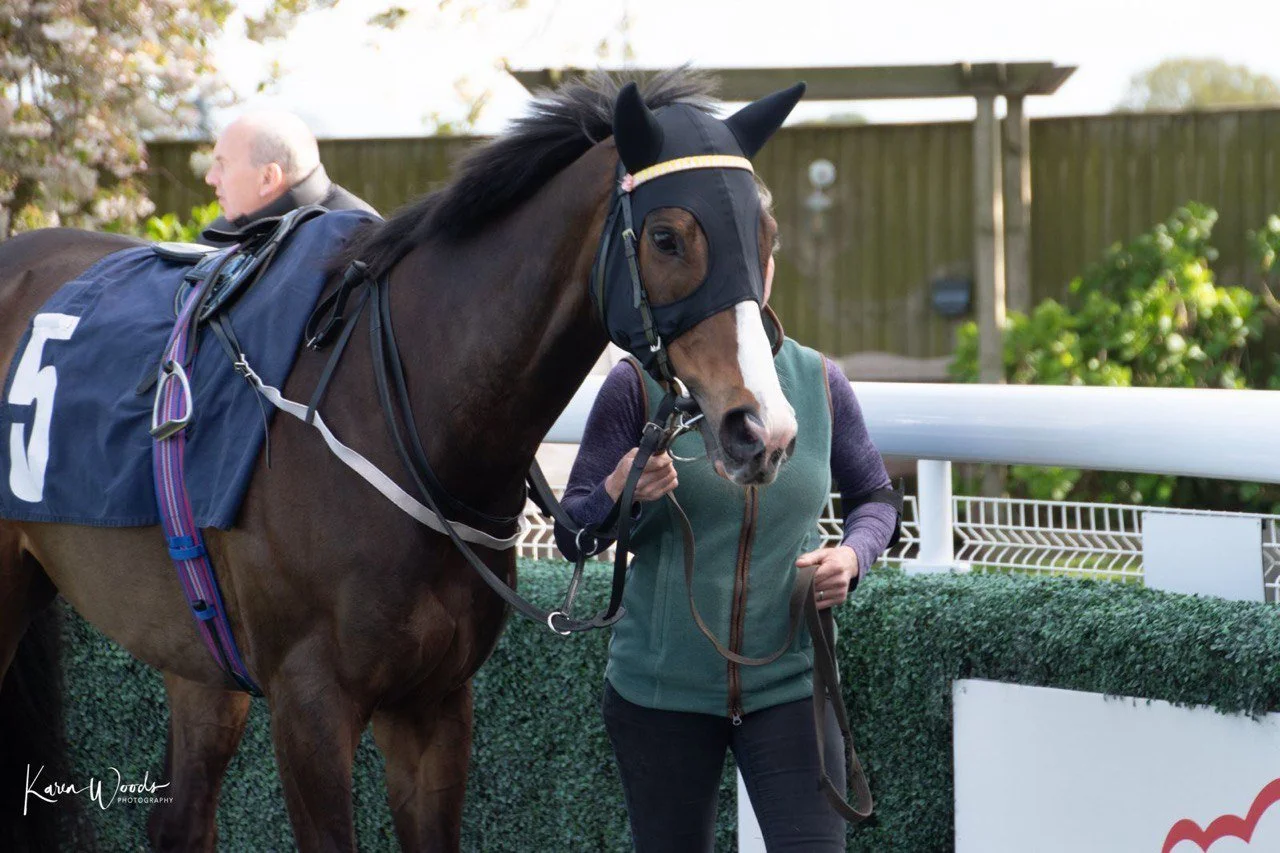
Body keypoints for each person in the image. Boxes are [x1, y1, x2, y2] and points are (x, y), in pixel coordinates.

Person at [554, 215, 899, 851]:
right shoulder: (636, 384)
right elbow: (573, 533)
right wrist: (618, 489)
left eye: (753, 262)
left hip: (791, 686)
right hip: (660, 696)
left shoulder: (820, 382)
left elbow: (875, 498)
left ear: (767, 271)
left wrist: (854, 556)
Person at [202, 110, 377, 238]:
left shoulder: (355, 237)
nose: (210, 178)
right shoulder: (219, 235)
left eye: (222, 165)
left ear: (268, 178)